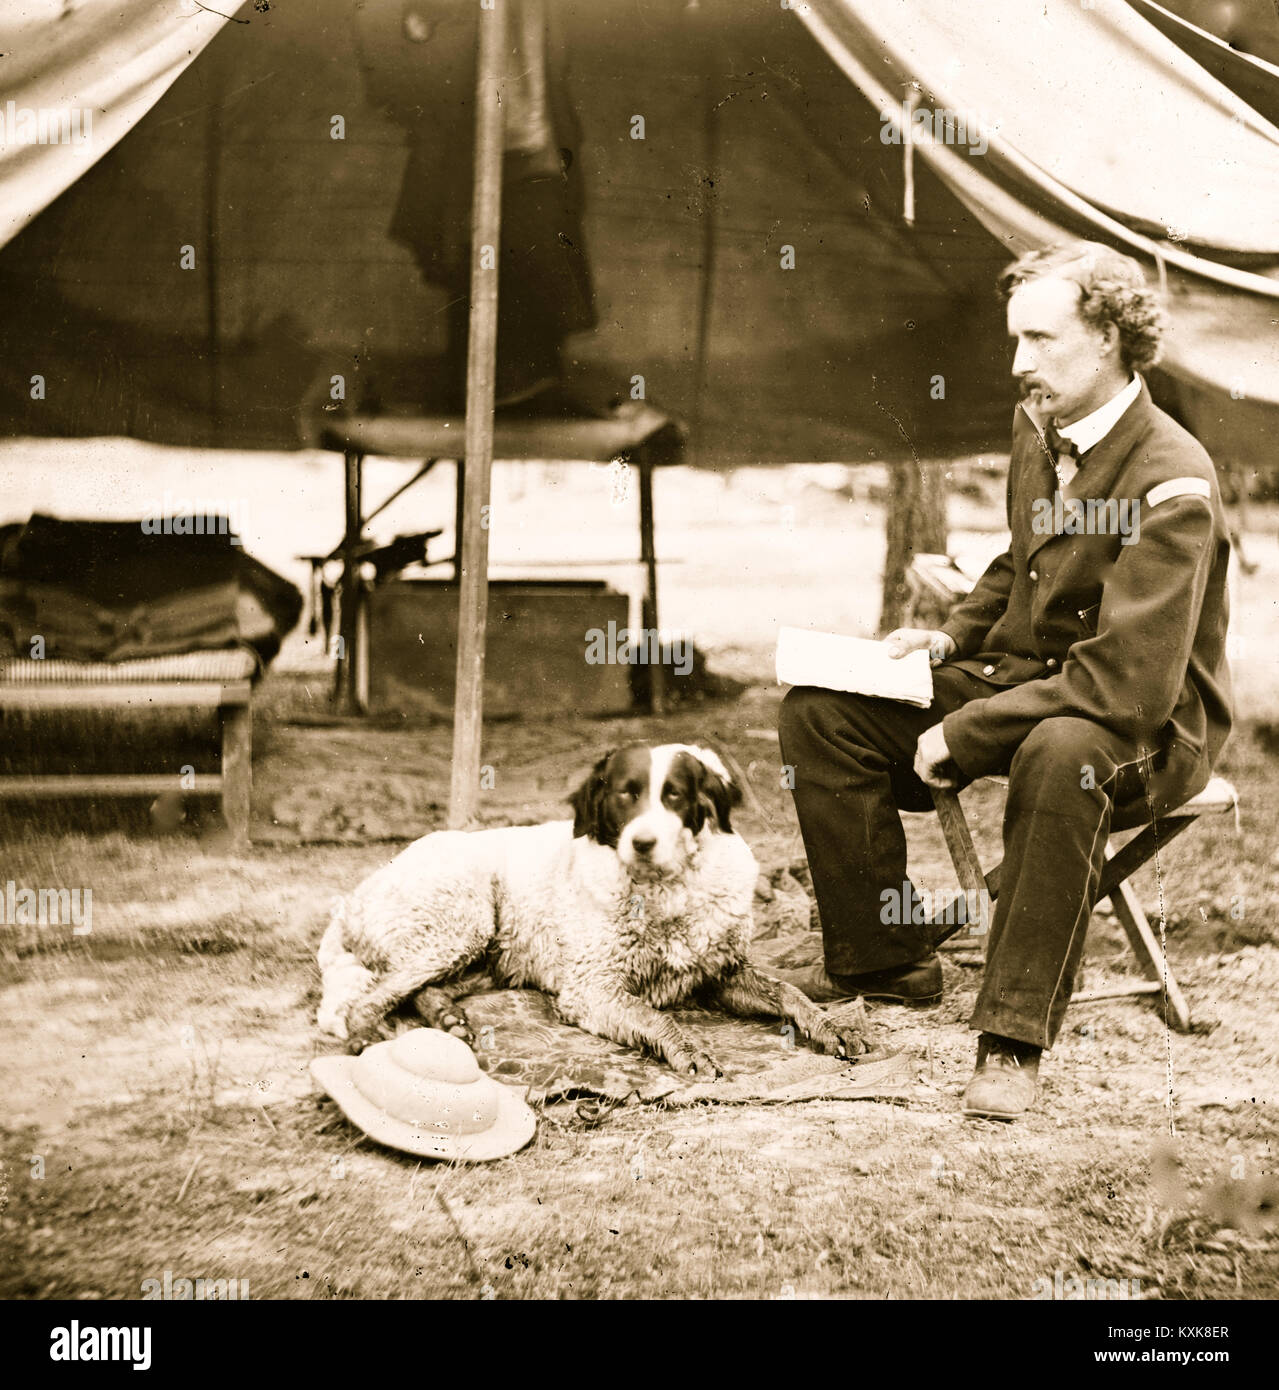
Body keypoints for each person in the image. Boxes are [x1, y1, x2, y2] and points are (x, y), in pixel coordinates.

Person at [777, 241, 1232, 1120]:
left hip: (1145, 731)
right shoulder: (1042, 427)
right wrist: (948, 644)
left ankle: (1011, 1040)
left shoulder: (1172, 478)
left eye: (1040, 339)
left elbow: (1126, 689)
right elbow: (1017, 559)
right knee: (823, 712)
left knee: (1063, 754)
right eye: (1014, 339)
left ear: (1107, 337)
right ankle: (881, 957)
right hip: (1032, 682)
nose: (1018, 364)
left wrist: (968, 731)